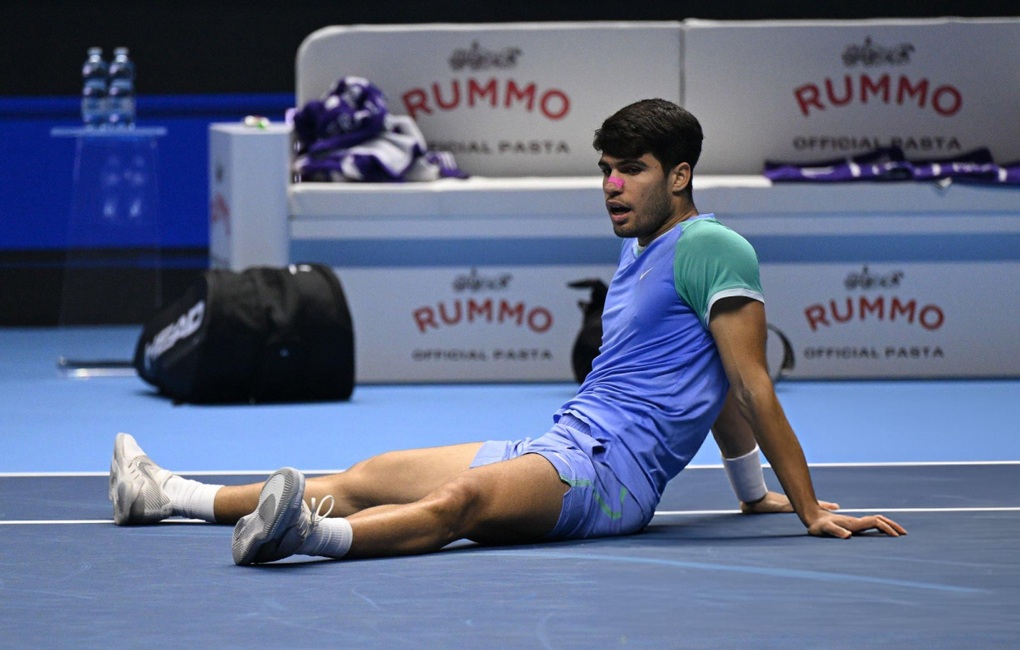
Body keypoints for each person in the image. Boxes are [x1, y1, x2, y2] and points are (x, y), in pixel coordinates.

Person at [109, 99, 906, 566]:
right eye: (604, 168)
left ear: (681, 174)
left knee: (461, 502)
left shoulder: (714, 247)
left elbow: (746, 383)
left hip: (612, 481)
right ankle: (166, 494)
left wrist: (802, 507)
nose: (612, 185)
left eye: (630, 168)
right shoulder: (640, 252)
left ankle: (310, 536)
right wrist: (747, 492)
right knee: (371, 468)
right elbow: (708, 386)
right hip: (562, 444)